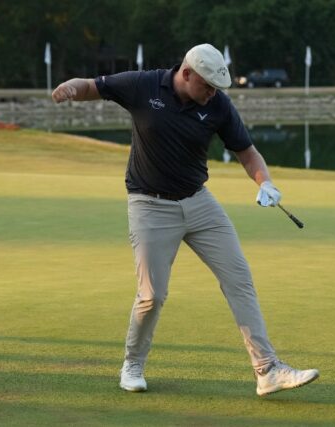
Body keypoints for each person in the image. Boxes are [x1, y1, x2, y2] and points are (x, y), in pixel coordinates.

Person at [51, 43, 319, 395]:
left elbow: (247, 152)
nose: (211, 94)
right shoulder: (144, 85)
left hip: (199, 202)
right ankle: (132, 363)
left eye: (216, 88)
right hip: (150, 205)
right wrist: (70, 87)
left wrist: (264, 181)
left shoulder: (218, 104)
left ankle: (267, 369)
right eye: (207, 85)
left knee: (239, 278)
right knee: (152, 295)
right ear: (187, 73)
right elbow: (93, 86)